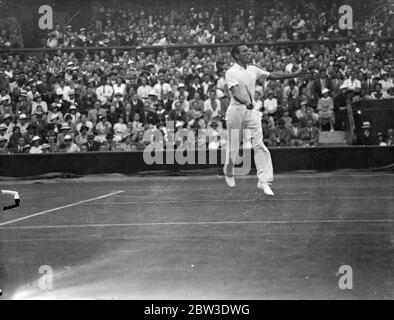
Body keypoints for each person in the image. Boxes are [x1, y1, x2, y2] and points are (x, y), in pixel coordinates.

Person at [223, 44, 301, 195]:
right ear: (237, 55)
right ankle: (229, 170)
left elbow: (272, 75)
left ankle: (263, 180)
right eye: (245, 51)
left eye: (248, 50)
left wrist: (293, 75)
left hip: (251, 112)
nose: (248, 52)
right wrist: (246, 102)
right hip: (236, 111)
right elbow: (235, 93)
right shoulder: (231, 72)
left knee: (258, 144)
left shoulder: (253, 69)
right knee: (234, 146)